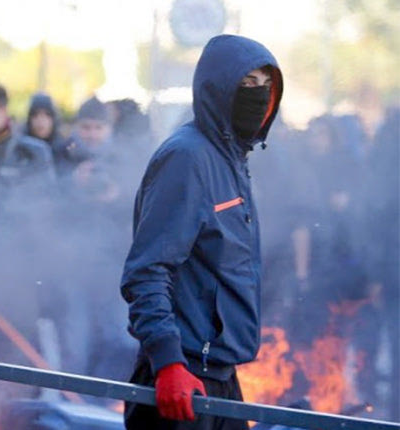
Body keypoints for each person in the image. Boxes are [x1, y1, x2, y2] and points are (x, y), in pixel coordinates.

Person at [120, 34, 283, 429]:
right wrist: (169, 361)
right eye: (245, 84)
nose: (257, 95)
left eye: (265, 85)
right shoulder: (187, 157)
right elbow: (148, 271)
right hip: (184, 378)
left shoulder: (232, 159)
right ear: (218, 89)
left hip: (219, 374)